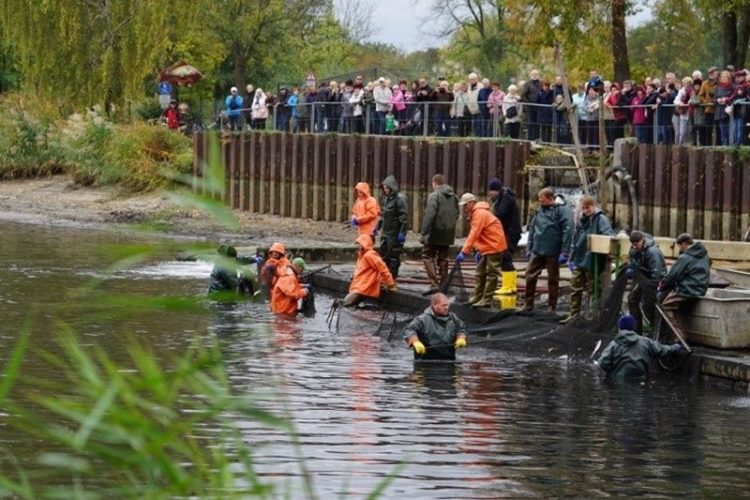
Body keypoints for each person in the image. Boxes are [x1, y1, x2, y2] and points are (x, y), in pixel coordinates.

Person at [561, 196, 614, 323]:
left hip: (593, 260)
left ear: (593, 206)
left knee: (594, 289)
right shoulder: (582, 220)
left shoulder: (601, 219)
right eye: (583, 208)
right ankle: (574, 315)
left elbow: (608, 237)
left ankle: (594, 316)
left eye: (588, 207)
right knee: (575, 287)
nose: (585, 210)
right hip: (580, 258)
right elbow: (576, 238)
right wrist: (571, 258)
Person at [523, 187, 573, 313]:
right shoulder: (539, 211)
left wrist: (565, 251)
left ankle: (552, 306)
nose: (540, 201)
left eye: (542, 199)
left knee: (553, 279)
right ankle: (528, 304)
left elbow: (568, 230)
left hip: (553, 250)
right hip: (538, 249)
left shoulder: (562, 211)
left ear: (551, 198)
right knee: (529, 274)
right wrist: (529, 247)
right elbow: (533, 229)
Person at [456, 192, 508, 307]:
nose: (464, 208)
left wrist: (464, 251)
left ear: (472, 203)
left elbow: (474, 233)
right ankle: (478, 297)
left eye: (465, 205)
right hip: (487, 246)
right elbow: (479, 235)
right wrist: (477, 249)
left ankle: (486, 299)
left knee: (491, 273)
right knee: (480, 272)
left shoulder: (479, 213)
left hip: (494, 246)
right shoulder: (475, 213)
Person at [598, 314, 683, 383]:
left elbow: (603, 362)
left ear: (619, 327)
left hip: (619, 381)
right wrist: (676, 347)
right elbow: (662, 349)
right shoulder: (645, 341)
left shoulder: (614, 344)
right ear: (633, 327)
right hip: (641, 381)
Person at [658, 233, 711, 339]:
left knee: (665, 306)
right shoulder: (705, 255)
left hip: (687, 289)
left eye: (679, 247)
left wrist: (662, 286)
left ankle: (679, 337)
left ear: (683, 244)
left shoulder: (685, 257)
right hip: (701, 288)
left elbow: (672, 276)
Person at [420, 174, 459, 294]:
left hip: (434, 232)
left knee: (427, 256)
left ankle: (433, 284)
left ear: (434, 183)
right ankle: (443, 284)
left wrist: (424, 233)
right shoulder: (454, 197)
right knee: (443, 258)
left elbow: (429, 215)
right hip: (448, 232)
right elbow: (457, 214)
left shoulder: (434, 195)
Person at [403, 293, 468, 361]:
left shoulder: (453, 318)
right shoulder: (422, 319)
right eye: (443, 305)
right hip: (425, 361)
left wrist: (461, 338)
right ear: (434, 305)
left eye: (448, 305)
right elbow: (409, 330)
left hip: (449, 360)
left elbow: (462, 329)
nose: (447, 308)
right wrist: (415, 342)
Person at [625, 230, 667, 334]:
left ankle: (657, 331)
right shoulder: (634, 251)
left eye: (636, 244)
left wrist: (653, 288)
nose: (635, 247)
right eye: (633, 245)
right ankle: (636, 330)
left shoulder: (653, 252)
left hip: (654, 281)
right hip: (642, 279)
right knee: (632, 299)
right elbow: (633, 263)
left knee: (648, 306)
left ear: (642, 240)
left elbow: (657, 273)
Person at [487, 177, 521, 296]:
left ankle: (507, 286)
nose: (490, 194)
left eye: (491, 191)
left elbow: (501, 214)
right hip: (509, 232)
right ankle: (511, 285)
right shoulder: (503, 198)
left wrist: (490, 219)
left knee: (505, 258)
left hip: (511, 232)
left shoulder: (506, 198)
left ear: (497, 190)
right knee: (507, 258)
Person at [343, 234, 397, 307]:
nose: (358, 245)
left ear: (365, 243)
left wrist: (390, 284)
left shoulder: (370, 255)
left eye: (360, 243)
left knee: (345, 304)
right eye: (358, 243)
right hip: (359, 286)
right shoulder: (362, 254)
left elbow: (383, 269)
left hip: (363, 287)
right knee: (346, 304)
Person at [377, 175, 409, 279]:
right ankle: (385, 277)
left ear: (392, 187)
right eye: (384, 188)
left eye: (387, 187)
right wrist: (377, 226)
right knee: (384, 255)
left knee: (394, 256)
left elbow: (404, 218)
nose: (385, 190)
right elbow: (383, 215)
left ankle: (393, 277)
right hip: (385, 232)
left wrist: (402, 233)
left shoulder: (400, 199)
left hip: (394, 233)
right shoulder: (386, 199)